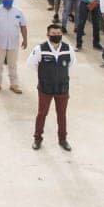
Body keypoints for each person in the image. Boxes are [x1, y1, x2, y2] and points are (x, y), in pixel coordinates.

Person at [26, 23, 77, 151]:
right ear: (48, 34)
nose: (56, 36)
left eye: (59, 34)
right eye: (53, 34)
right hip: (45, 88)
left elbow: (71, 64)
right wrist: (45, 76)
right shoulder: (40, 49)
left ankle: (63, 140)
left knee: (62, 115)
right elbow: (31, 64)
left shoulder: (68, 48)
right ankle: (37, 139)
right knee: (42, 114)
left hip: (62, 88)